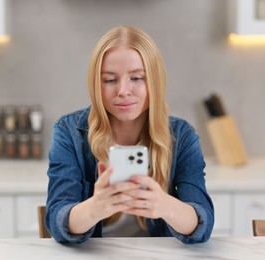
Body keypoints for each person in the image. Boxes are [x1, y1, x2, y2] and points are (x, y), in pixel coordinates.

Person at [45, 25, 214, 244]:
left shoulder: (182, 136)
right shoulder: (69, 132)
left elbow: (203, 225)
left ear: (155, 80)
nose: (123, 90)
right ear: (96, 84)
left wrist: (164, 205)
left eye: (136, 78)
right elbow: (57, 220)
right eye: (110, 80)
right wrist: (94, 209)